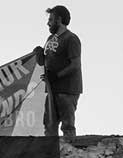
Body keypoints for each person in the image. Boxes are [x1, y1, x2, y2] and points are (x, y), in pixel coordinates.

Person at [33, 6, 82, 137]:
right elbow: (43, 62)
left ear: (59, 19)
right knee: (49, 124)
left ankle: (69, 152)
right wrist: (38, 54)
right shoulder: (50, 39)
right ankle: (49, 154)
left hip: (67, 89)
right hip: (51, 88)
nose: (48, 23)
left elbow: (75, 65)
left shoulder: (71, 39)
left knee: (67, 125)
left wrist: (57, 75)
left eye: (51, 19)